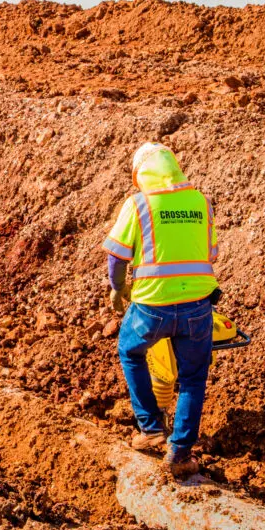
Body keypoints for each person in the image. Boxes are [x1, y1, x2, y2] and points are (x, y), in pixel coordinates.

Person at [102, 142, 220, 479]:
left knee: (130, 352)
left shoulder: (139, 204)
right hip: (198, 306)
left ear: (142, 174)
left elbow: (117, 257)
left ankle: (151, 427)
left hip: (152, 305)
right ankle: (180, 455)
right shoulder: (201, 202)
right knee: (193, 379)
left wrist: (119, 288)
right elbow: (209, 254)